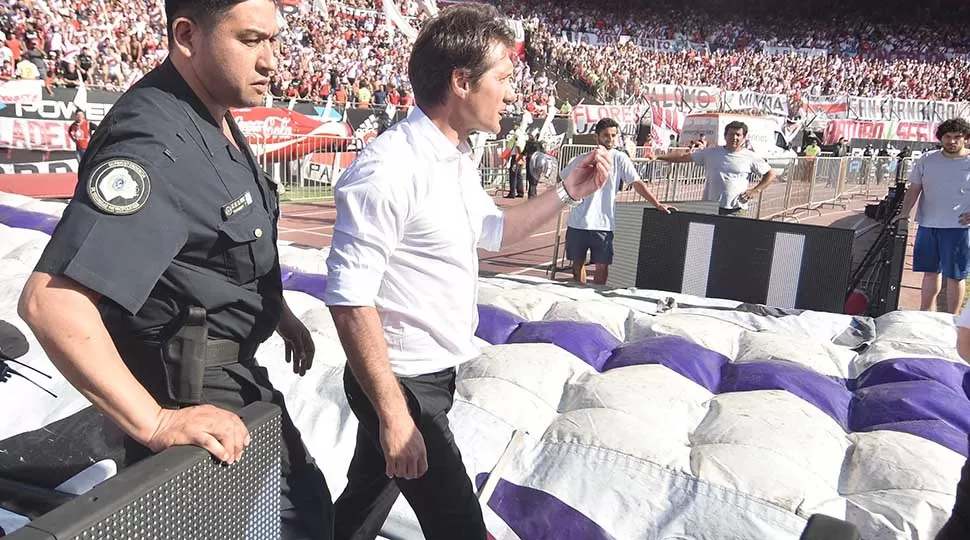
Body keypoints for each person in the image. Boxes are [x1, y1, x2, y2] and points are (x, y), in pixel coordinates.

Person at [16, 1, 333, 538]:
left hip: (229, 371)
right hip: (190, 386)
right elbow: (52, 302)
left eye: (275, 41)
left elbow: (212, 249)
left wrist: (276, 313)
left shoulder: (209, 108)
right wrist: (156, 421)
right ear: (186, 35)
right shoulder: (156, 141)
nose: (273, 61)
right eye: (252, 40)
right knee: (297, 520)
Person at [323, 5, 610, 539]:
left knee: (362, 506)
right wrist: (394, 413)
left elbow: (496, 232)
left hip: (426, 377)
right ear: (461, 81)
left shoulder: (453, 158)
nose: (511, 93)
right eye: (502, 78)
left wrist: (566, 192)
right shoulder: (389, 170)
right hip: (403, 384)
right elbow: (349, 298)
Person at [562, 117, 674, 285]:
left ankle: (597, 299)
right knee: (577, 265)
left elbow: (636, 182)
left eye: (613, 135)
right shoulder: (580, 159)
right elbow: (564, 181)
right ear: (596, 137)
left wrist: (657, 204)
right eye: (606, 135)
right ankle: (579, 296)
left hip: (604, 224)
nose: (610, 139)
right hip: (578, 222)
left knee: (602, 266)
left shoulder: (620, 158)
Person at [895, 118, 970, 314]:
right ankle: (925, 313)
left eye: (957, 137)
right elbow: (914, 189)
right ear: (941, 138)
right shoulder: (927, 160)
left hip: (958, 228)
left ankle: (952, 319)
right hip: (928, 225)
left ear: (965, 138)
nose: (952, 141)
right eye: (947, 137)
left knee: (955, 276)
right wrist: (904, 214)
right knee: (930, 273)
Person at [652, 121, 775, 216]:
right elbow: (683, 157)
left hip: (737, 209)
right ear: (725, 136)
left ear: (744, 137)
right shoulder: (711, 152)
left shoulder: (750, 156)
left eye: (738, 135)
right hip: (710, 207)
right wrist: (658, 156)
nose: (734, 138)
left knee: (734, 244)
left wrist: (755, 191)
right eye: (731, 134)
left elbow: (770, 174)